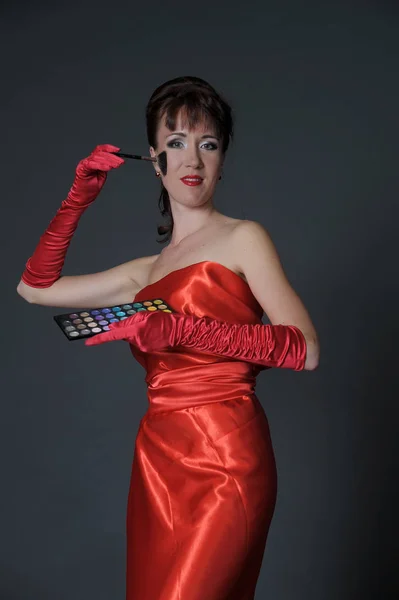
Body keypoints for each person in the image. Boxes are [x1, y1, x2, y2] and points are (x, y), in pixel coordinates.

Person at [17, 75, 320, 599]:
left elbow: (305, 350)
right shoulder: (146, 271)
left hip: (227, 455)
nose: (193, 161)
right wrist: (75, 202)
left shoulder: (244, 238)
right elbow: (34, 289)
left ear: (223, 160)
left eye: (208, 144)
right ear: (155, 160)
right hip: (158, 461)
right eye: (176, 143)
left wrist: (179, 327)